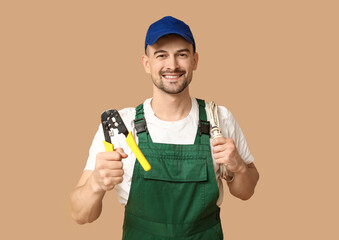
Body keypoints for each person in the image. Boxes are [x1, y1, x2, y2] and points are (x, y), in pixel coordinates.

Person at [70, 16, 259, 240]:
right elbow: (80, 215)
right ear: (146, 63)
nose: (172, 65)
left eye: (182, 54)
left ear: (195, 61)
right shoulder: (121, 127)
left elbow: (246, 192)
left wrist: (237, 167)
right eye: (161, 55)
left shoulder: (220, 119)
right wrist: (96, 184)